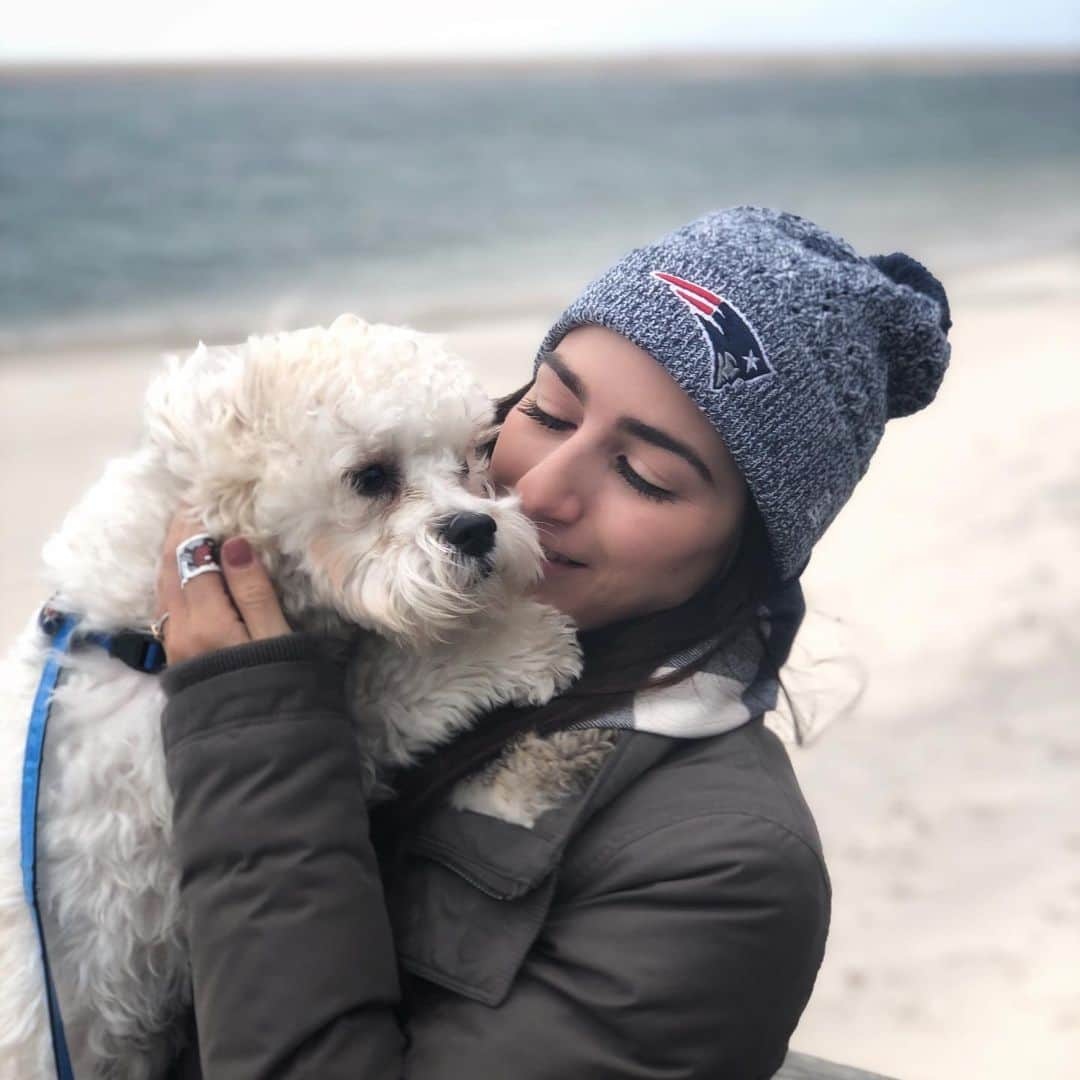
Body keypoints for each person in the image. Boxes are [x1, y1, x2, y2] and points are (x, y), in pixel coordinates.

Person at [154, 205, 952, 1079]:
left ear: (744, 556)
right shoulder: (349, 620)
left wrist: (251, 731)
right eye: (549, 410)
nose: (536, 489)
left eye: (644, 475)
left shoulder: (722, 874)